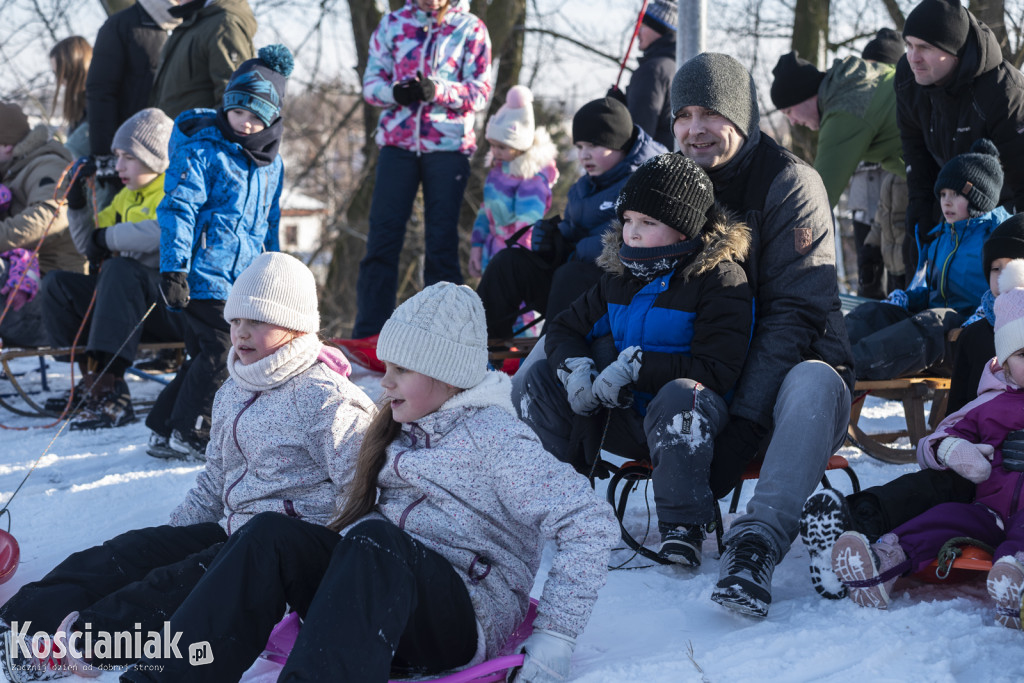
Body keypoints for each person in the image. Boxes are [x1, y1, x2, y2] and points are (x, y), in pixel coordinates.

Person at [120, 282, 620, 683]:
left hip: (463, 614)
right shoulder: (401, 426)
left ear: (446, 375)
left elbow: (589, 521)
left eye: (401, 370)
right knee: (270, 533)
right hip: (381, 597)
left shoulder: (496, 438)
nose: (385, 381)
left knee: (376, 538)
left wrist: (557, 635)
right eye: (387, 367)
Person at [0, 252, 375, 679]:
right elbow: (215, 478)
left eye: (258, 321)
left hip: (283, 560)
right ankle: (19, 622)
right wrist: (171, 541)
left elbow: (364, 495)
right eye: (235, 320)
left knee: (173, 583)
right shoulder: (235, 388)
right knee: (128, 552)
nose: (241, 332)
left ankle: (79, 647)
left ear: (297, 326)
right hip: (234, 532)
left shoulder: (327, 399)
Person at [667, 52, 854, 618]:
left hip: (790, 380)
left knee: (811, 381)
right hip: (709, 372)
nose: (695, 129)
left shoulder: (790, 183)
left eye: (711, 114)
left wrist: (746, 424)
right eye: (684, 115)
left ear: (742, 119)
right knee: (554, 353)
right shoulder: (671, 182)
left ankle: (757, 542)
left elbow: (795, 314)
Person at [518, 153, 752, 567]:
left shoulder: (719, 279)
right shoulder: (619, 276)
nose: (633, 232)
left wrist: (636, 369)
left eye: (647, 222)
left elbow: (717, 369)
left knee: (680, 395)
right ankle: (549, 501)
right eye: (627, 220)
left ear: (683, 227)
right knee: (540, 380)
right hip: (626, 418)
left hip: (693, 424)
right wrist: (576, 369)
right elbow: (564, 328)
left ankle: (683, 526)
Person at [800, 214, 1024, 601]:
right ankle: (855, 527)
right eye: (996, 269)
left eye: (1015, 267)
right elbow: (957, 416)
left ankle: (1013, 578)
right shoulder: (977, 336)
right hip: (983, 478)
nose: (1005, 277)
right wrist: (954, 449)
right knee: (938, 489)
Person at [148, 45, 290, 460]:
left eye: (256, 116)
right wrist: (174, 268)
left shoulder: (272, 166)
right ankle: (191, 428)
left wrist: (275, 271)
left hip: (241, 280)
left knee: (204, 353)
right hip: (201, 274)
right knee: (222, 351)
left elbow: (270, 222)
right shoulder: (203, 150)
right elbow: (178, 209)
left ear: (272, 119)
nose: (245, 122)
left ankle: (163, 425)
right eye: (237, 111)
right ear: (225, 106)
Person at [351, 0, 491, 341]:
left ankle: (443, 335)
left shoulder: (470, 28)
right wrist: (395, 92)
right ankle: (369, 334)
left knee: (441, 242)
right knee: (382, 238)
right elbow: (371, 84)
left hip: (448, 147)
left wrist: (438, 90)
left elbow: (481, 91)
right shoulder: (393, 23)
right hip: (397, 145)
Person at [40, 108, 185, 430]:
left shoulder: (174, 191)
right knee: (58, 284)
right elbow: (89, 244)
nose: (118, 166)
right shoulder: (125, 198)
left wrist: (108, 237)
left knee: (121, 269)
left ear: (156, 158)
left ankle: (112, 387)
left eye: (128, 158)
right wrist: (77, 206)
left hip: (169, 308)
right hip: (127, 308)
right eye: (117, 157)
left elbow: (164, 232)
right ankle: (93, 380)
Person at [477, 97, 664, 341]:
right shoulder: (583, 187)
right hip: (571, 290)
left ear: (618, 143)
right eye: (579, 147)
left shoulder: (644, 182)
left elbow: (635, 243)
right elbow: (573, 230)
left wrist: (576, 249)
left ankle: (551, 353)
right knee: (509, 262)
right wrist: (552, 239)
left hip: (619, 294)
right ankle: (478, 342)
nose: (584, 155)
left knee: (571, 273)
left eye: (593, 145)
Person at [844, 139, 1009, 381]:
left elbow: (1010, 293)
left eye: (955, 194)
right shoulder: (940, 240)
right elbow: (931, 292)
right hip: (936, 338)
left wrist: (985, 315)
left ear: (979, 198)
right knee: (876, 312)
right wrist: (907, 299)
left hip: (968, 340)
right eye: (942, 194)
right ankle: (828, 351)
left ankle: (852, 366)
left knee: (932, 321)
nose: (946, 201)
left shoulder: (996, 239)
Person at [896, 0, 1024, 279]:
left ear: (954, 51)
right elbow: (915, 155)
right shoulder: (908, 80)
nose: (913, 57)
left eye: (925, 47)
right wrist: (919, 217)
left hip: (1001, 207)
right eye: (909, 45)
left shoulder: (1003, 92)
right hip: (949, 197)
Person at [770, 49, 903, 209]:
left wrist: (792, 226)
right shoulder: (860, 81)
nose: (792, 122)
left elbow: (817, 200)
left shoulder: (844, 111)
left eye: (789, 111)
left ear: (803, 95)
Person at [0, 102, 86, 348]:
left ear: (7, 146)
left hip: (49, 297)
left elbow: (51, 215)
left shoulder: (47, 165)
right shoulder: (10, 170)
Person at [86, 0, 179, 199]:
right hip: (130, 158)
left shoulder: (192, 23)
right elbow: (101, 93)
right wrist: (106, 158)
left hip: (175, 155)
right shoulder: (120, 25)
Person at [469, 84, 558, 278]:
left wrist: (514, 265)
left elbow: (527, 228)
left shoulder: (531, 181)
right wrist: (477, 245)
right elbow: (485, 211)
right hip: (491, 253)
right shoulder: (498, 171)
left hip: (512, 262)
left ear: (519, 146)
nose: (495, 151)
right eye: (492, 145)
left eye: (502, 147)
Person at [151, 0, 256, 119]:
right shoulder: (198, 19)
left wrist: (202, 129)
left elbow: (236, 101)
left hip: (192, 130)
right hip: (170, 128)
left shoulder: (224, 24)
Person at [607, 0, 677, 149]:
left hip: (653, 161)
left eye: (642, 25)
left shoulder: (652, 70)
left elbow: (638, 135)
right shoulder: (675, 66)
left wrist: (616, 113)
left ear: (659, 30)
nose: (636, 31)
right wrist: (622, 105)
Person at [49, 36, 93, 160]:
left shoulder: (97, 103)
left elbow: (72, 153)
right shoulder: (79, 103)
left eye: (61, 73)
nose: (58, 80)